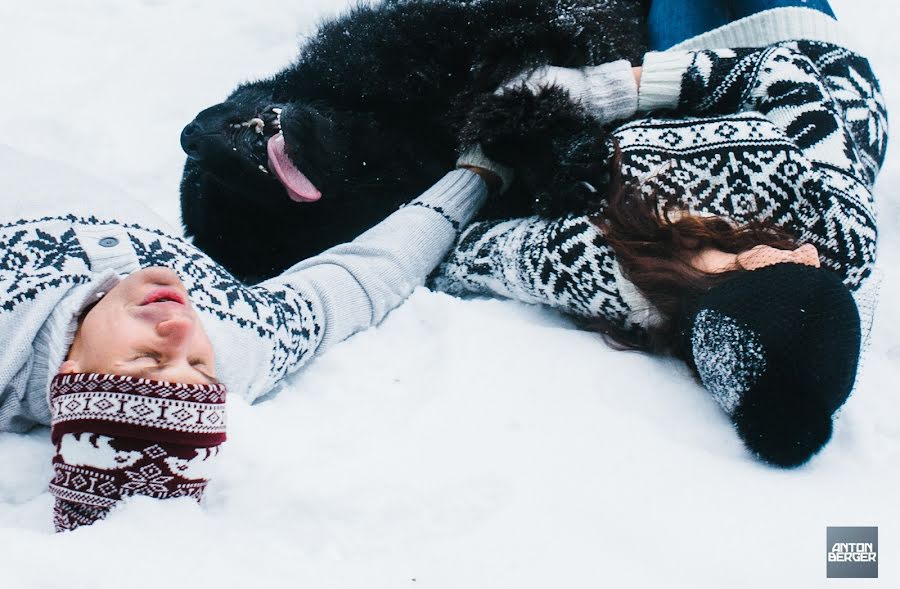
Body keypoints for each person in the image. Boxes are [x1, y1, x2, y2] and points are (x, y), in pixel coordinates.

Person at [436, 0, 887, 467]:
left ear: (756, 265)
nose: (813, 251)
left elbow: (465, 253)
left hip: (686, 55)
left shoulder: (601, 268)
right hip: (816, 68)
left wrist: (489, 172)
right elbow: (786, 72)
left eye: (799, 263)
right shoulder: (843, 234)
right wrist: (599, 90)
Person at [0, 144, 505, 531]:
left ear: (71, 374)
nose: (182, 331)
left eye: (147, 359)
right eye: (199, 367)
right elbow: (368, 276)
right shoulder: (245, 344)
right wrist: (481, 172)